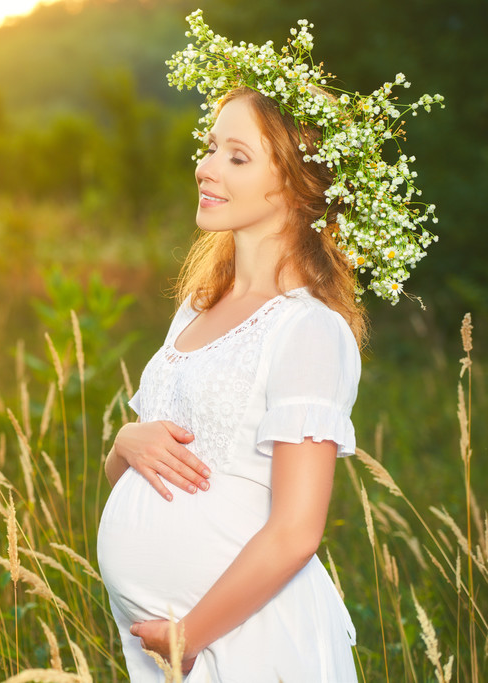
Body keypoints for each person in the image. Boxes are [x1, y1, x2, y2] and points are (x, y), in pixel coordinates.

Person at [96, 11, 443, 682]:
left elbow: (295, 531)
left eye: (236, 156)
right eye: (209, 146)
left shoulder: (308, 330)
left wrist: (189, 633)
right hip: (167, 649)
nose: (205, 167)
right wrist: (122, 444)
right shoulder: (194, 310)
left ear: (292, 182)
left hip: (247, 644)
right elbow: (146, 480)